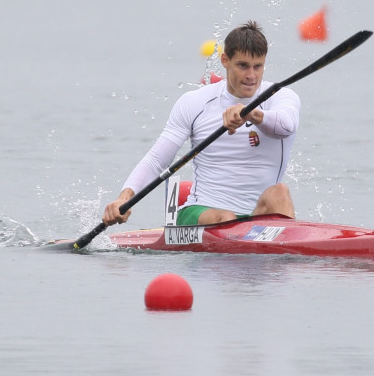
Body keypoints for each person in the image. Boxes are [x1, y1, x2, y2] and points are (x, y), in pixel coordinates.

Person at [102, 20, 300, 227]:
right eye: (243, 66)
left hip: (256, 216)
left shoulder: (281, 96)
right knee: (227, 218)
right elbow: (156, 160)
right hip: (201, 211)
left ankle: (289, 253)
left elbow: (285, 127)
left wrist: (250, 114)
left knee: (280, 192)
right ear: (225, 60)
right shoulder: (195, 102)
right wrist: (123, 198)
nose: (251, 76)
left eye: (258, 66)